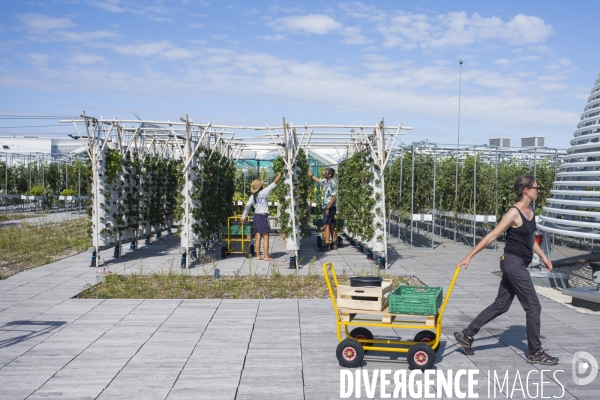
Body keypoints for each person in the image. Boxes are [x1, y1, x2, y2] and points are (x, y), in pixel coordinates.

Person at [454, 174, 558, 365]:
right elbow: (492, 236)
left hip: (518, 263)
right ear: (526, 190)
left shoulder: (530, 210)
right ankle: (535, 352)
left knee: (501, 305)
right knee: (533, 306)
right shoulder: (514, 212)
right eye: (536, 187)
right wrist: (469, 256)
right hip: (513, 263)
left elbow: (530, 239)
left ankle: (466, 334)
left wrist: (543, 257)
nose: (538, 190)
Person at [241, 172, 282, 261]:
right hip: (263, 217)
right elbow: (274, 182)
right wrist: (280, 174)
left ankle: (258, 255)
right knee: (266, 237)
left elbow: (247, 206)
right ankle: (266, 256)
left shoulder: (252, 196)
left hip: (256, 216)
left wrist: (243, 217)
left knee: (258, 236)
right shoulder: (264, 192)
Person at [308, 167, 337, 251]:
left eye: (326, 172)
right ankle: (334, 243)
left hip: (329, 207)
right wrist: (309, 173)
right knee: (330, 224)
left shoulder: (333, 183)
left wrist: (328, 208)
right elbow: (317, 180)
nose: (324, 172)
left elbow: (334, 197)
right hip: (327, 206)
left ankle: (327, 244)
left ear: (330, 174)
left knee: (326, 225)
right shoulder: (326, 182)